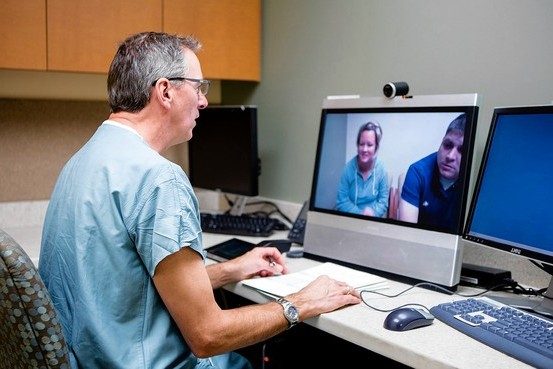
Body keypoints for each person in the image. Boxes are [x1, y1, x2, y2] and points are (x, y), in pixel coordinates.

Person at [38, 32, 361, 369]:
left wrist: (229, 270)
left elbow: (127, 287)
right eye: (198, 87)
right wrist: (302, 302)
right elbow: (207, 335)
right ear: (165, 91)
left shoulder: (82, 160)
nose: (204, 101)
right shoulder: (160, 179)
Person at [398, 113, 466, 232]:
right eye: (447, 145)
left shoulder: (475, 181)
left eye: (462, 150)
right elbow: (406, 234)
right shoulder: (418, 172)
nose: (450, 156)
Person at [336, 121, 389, 217]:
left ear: (376, 147)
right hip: (351, 218)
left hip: (373, 219)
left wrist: (373, 213)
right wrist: (360, 214)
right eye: (361, 144)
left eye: (369, 145)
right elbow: (342, 201)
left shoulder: (382, 170)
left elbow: (383, 201)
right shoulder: (347, 169)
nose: (365, 149)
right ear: (357, 146)